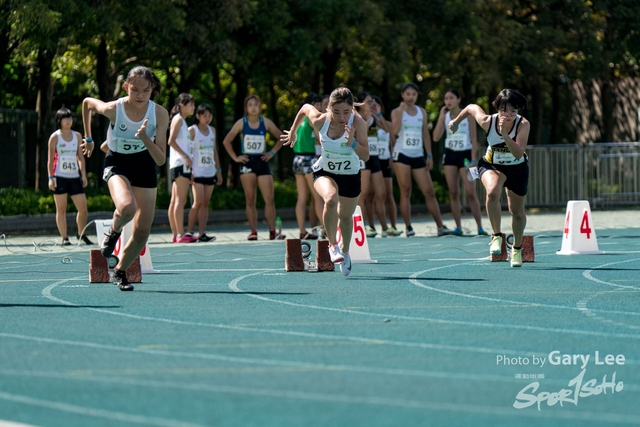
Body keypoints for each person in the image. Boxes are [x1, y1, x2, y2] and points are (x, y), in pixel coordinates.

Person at [82, 65, 169, 290]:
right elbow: (87, 104)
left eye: (146, 91)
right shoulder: (114, 109)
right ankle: (114, 230)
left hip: (145, 164)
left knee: (142, 232)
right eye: (135, 90)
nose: (140, 95)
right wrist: (89, 138)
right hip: (118, 162)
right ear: (126, 87)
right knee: (127, 208)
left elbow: (160, 160)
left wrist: (145, 138)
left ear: (152, 90)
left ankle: (120, 272)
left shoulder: (159, 113)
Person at [281, 87, 369, 276]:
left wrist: (352, 142)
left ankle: (345, 253)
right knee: (330, 198)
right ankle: (333, 246)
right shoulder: (321, 121)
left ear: (352, 109)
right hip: (325, 171)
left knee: (345, 218)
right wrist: (293, 132)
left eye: (346, 112)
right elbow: (305, 107)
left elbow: (366, 156)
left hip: (351, 175)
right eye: (336, 112)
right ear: (329, 109)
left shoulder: (358, 123)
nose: (341, 116)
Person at [448, 88, 530, 267]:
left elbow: (518, 153)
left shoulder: (523, 124)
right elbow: (470, 107)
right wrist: (455, 122)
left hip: (517, 168)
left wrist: (505, 135)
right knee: (492, 191)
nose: (508, 115)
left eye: (513, 111)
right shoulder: (487, 121)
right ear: (497, 108)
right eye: (504, 110)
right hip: (492, 164)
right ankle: (496, 235)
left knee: (517, 212)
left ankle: (516, 248)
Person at [390, 82, 452, 237]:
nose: (411, 97)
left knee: (429, 191)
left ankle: (440, 226)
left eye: (414, 94)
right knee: (406, 190)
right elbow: (394, 130)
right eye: (408, 94)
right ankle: (408, 227)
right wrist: (401, 111)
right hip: (401, 154)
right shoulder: (397, 111)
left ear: (417, 96)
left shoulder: (421, 112)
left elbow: (425, 134)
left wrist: (429, 155)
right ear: (403, 95)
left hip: (417, 155)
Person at [222, 95, 286, 240]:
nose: (253, 107)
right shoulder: (241, 123)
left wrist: (272, 153)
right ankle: (253, 231)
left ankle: (272, 232)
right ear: (246, 108)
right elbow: (227, 141)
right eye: (250, 104)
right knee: (250, 199)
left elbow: (281, 137)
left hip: (262, 161)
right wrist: (235, 157)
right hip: (247, 161)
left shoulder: (266, 122)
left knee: (269, 198)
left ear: (260, 107)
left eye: (256, 104)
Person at [433, 88, 487, 236]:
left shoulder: (468, 115)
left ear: (458, 100)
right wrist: (440, 117)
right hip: (450, 156)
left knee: (471, 192)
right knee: (453, 192)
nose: (448, 101)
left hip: (465, 156)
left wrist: (473, 159)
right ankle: (458, 227)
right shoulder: (445, 116)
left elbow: (474, 139)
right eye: (446, 99)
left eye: (451, 98)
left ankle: (480, 227)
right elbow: (436, 137)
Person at [47, 107, 93, 246]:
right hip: (59, 176)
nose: (69, 121)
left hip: (74, 177)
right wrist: (51, 177)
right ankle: (64, 237)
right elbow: (50, 159)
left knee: (83, 208)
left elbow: (80, 157)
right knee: (61, 209)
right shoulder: (55, 137)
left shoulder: (78, 136)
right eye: (65, 118)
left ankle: (81, 233)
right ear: (59, 121)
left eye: (70, 118)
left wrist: (83, 174)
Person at [355, 92, 391, 238]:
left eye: (372, 101)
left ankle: (385, 227)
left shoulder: (374, 118)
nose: (371, 104)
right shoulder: (357, 119)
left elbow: (389, 130)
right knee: (362, 194)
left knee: (381, 193)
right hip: (363, 158)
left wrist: (379, 114)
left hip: (375, 157)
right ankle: (363, 228)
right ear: (360, 104)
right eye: (368, 102)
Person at [186, 103, 222, 241]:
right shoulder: (192, 130)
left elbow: (214, 151)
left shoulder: (212, 130)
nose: (207, 118)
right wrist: (189, 171)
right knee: (198, 201)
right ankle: (189, 232)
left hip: (209, 171)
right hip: (196, 171)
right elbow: (188, 151)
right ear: (198, 116)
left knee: (205, 203)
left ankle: (202, 233)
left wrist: (218, 170)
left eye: (209, 115)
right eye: (204, 115)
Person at [293, 93, 323, 239]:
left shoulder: (300, 119)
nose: (320, 107)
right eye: (317, 104)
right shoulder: (312, 119)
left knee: (302, 198)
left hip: (297, 159)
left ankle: (302, 231)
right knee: (318, 197)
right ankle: (327, 229)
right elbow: (320, 137)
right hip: (309, 159)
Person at [167, 93, 196, 243]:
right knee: (180, 200)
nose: (193, 107)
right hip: (180, 163)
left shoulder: (181, 121)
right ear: (182, 105)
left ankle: (175, 234)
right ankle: (180, 234)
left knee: (174, 200)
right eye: (190, 104)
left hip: (177, 163)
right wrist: (186, 157)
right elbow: (170, 141)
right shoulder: (179, 120)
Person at [371, 96, 402, 236]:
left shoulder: (385, 123)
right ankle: (373, 227)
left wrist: (379, 115)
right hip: (372, 160)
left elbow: (392, 137)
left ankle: (393, 226)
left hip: (385, 161)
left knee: (388, 194)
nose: (373, 107)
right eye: (371, 105)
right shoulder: (366, 123)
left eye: (376, 105)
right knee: (373, 195)